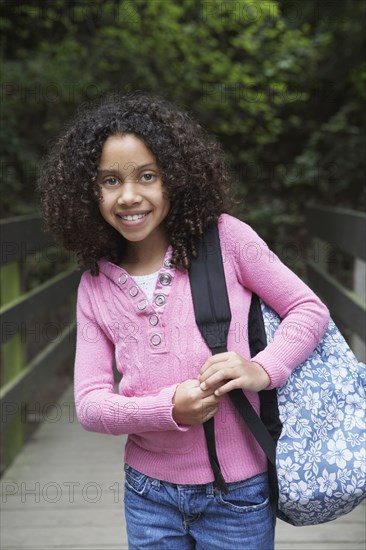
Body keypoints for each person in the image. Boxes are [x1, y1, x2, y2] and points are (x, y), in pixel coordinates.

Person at [39, 93, 329, 549]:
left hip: (239, 495)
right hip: (148, 495)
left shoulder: (228, 240)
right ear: (87, 193)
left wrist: (263, 368)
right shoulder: (94, 285)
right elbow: (91, 406)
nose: (129, 195)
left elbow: (307, 309)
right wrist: (167, 410)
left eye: (148, 176)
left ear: (174, 179)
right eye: (110, 181)